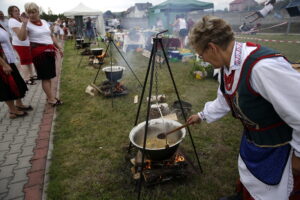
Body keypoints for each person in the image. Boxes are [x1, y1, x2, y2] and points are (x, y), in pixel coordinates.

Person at [187, 16, 300, 200]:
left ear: (212, 48)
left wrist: (299, 156)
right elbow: (225, 99)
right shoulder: (227, 64)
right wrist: (201, 115)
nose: (203, 60)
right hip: (254, 144)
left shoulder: (263, 68)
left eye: (202, 55)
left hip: (280, 152)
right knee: (252, 184)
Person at [18, 2, 63, 106]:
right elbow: (22, 38)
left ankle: (50, 97)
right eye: (29, 12)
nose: (31, 15)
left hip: (50, 52)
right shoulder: (26, 24)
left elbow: (51, 36)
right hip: (39, 54)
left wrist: (59, 47)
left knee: (50, 76)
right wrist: (24, 24)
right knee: (45, 77)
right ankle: (51, 99)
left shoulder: (44, 21)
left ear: (38, 12)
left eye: (34, 12)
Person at [0, 23, 32, 119]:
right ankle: (12, 111)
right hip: (3, 63)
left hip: (8, 59)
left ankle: (19, 104)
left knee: (17, 82)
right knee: (7, 86)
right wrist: (4, 65)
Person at [8, 5, 36, 85]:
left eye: (18, 10)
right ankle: (27, 79)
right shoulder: (12, 21)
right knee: (24, 61)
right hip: (19, 44)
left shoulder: (19, 20)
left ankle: (32, 75)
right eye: (15, 11)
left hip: (25, 43)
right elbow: (19, 34)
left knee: (29, 60)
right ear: (11, 13)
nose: (18, 12)